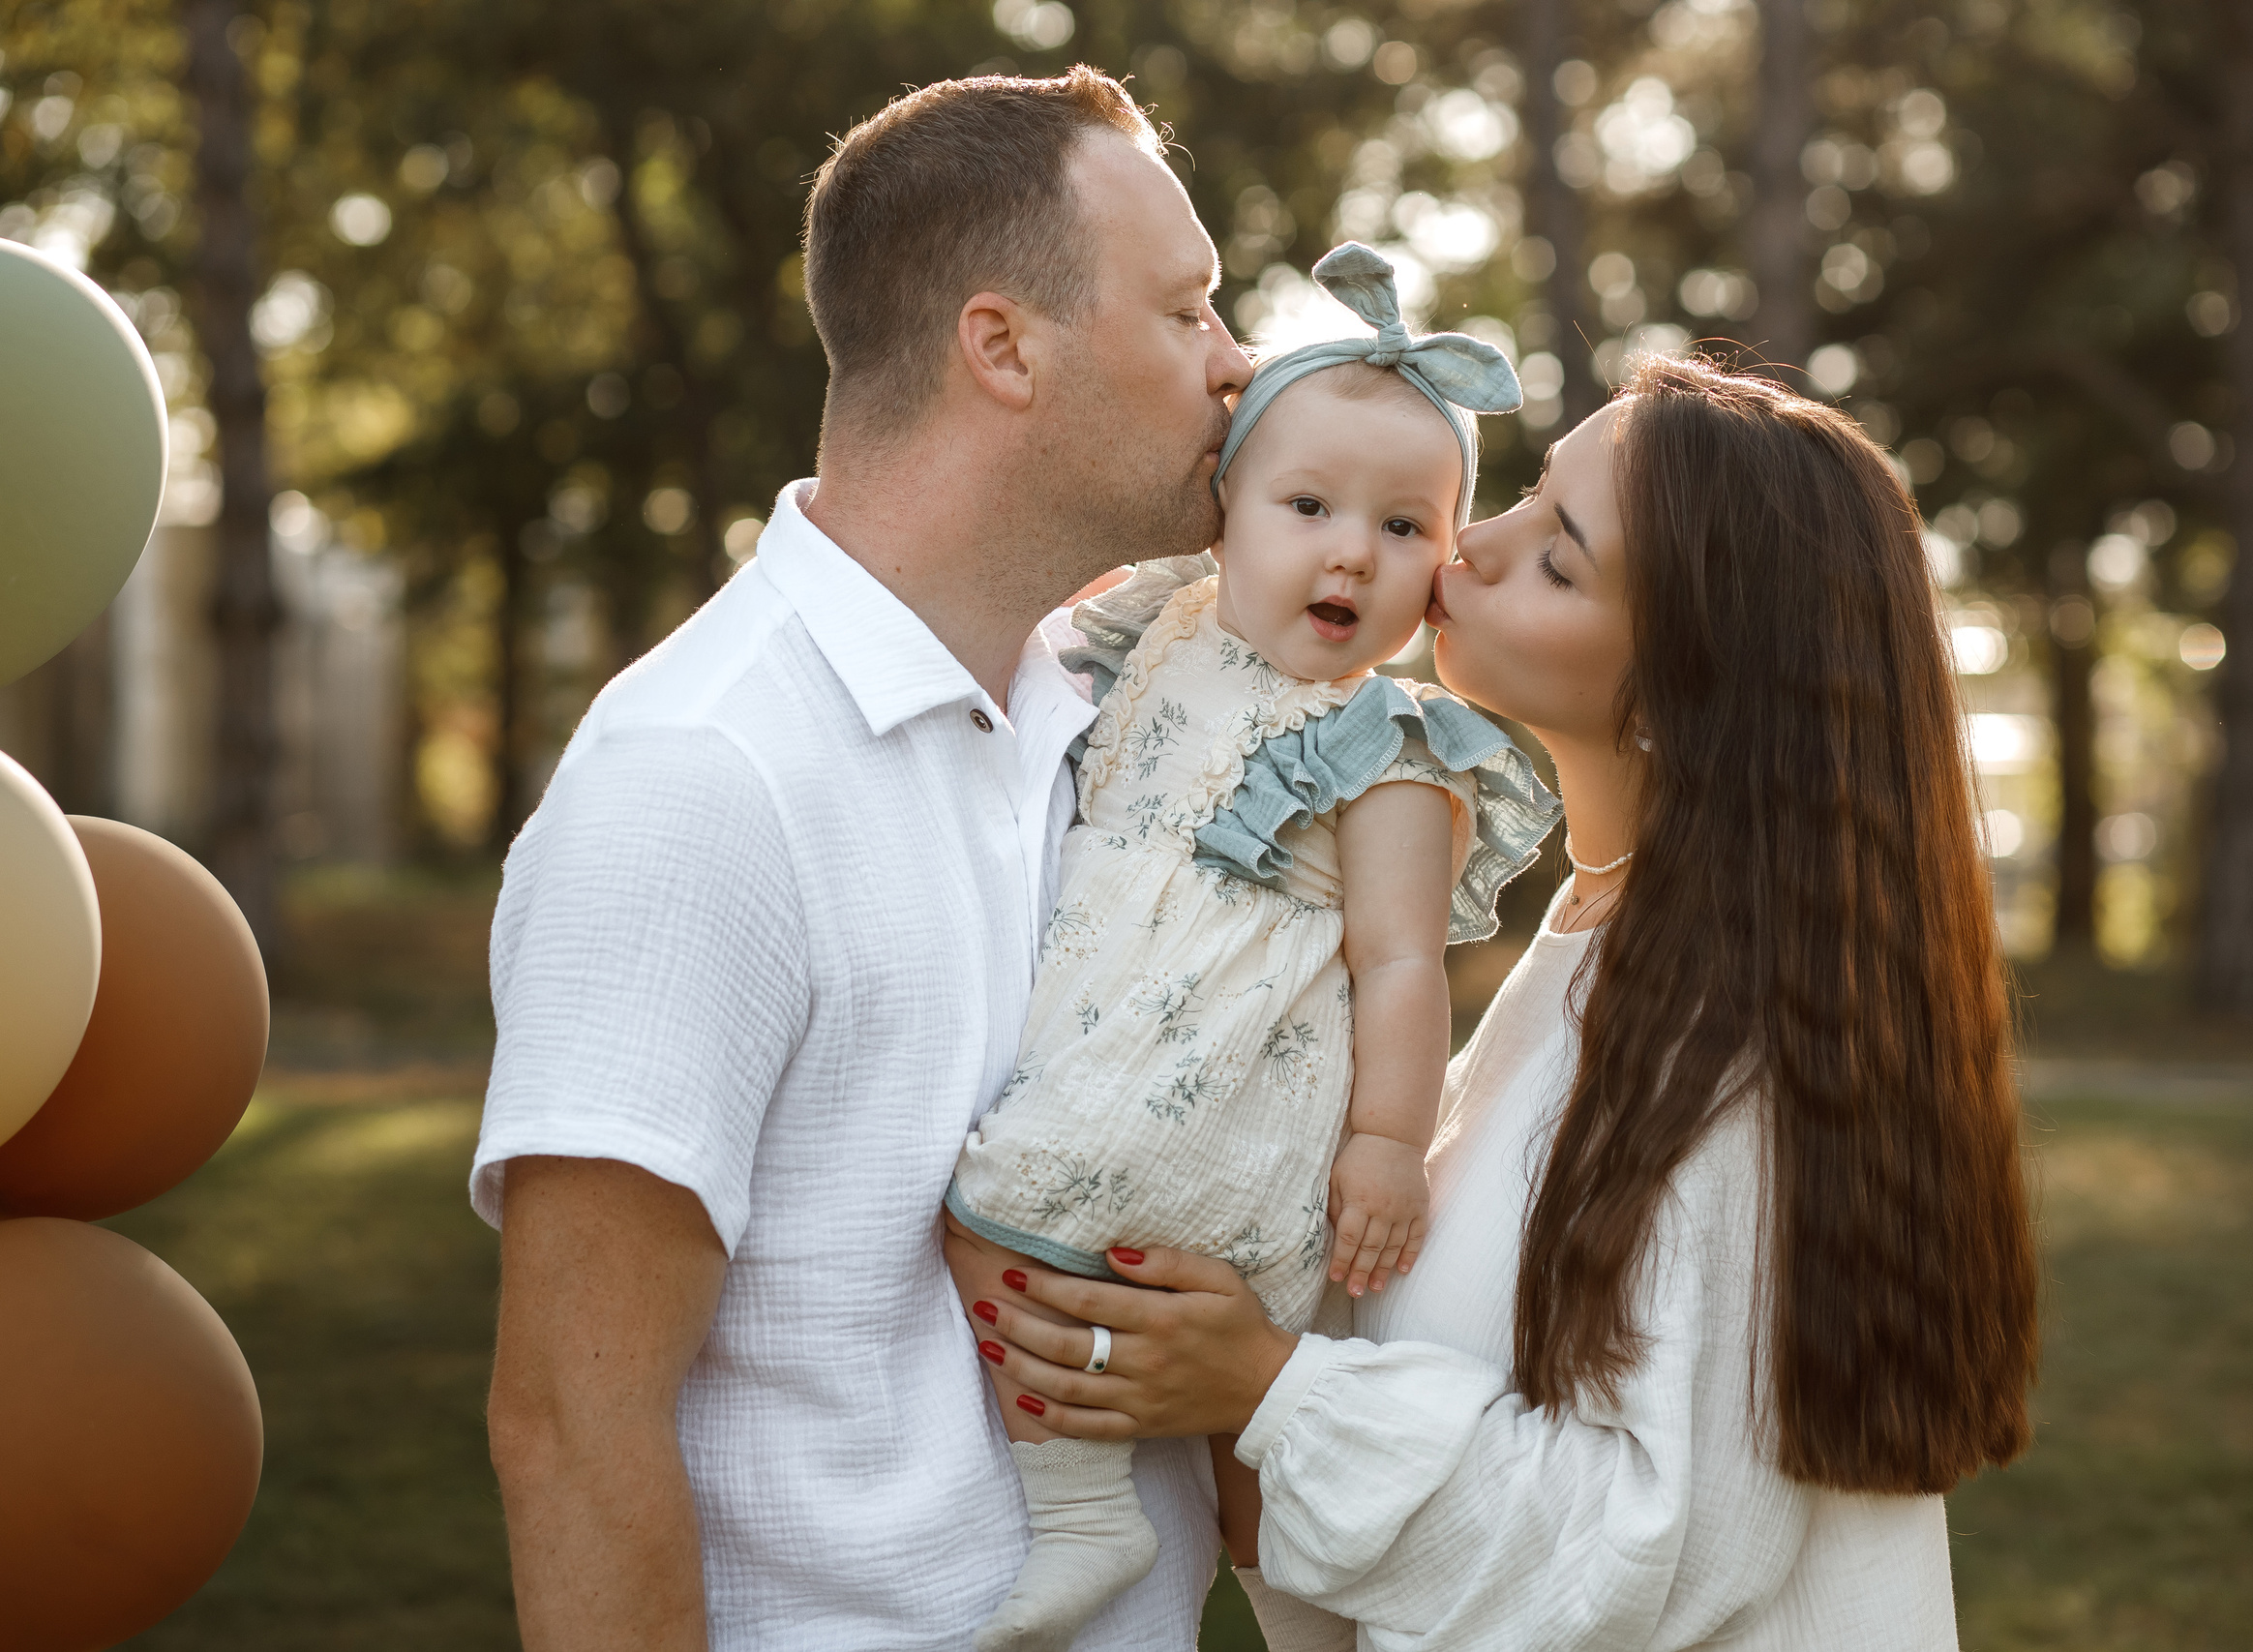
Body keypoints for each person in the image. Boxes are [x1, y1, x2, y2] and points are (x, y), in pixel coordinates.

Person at [968, 356, 2042, 1650]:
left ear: (1688, 697)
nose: (1468, 543)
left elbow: (1651, 1548)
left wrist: (1267, 1391)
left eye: (1558, 558)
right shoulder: (1608, 939)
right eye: (1530, 493)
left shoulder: (1748, 1062)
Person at [470, 69, 1254, 1649]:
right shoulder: (704, 780)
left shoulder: (1090, 712)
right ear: (1001, 345)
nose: (1240, 363)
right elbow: (570, 1425)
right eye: (1188, 312)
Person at [944, 244, 1555, 1652]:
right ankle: (1093, 1502)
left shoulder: (1388, 743)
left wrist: (1387, 1145)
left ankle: (1240, 1586)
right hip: (1115, 1031)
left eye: (1408, 528)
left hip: (1232, 1083)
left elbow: (1404, 965)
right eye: (1308, 505)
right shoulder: (1159, 632)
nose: (1353, 549)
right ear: (1223, 515)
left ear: (1442, 567)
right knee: (1042, 1256)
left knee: (998, 1206)